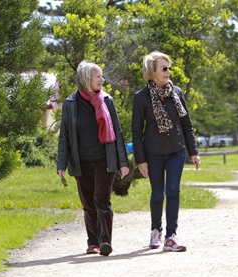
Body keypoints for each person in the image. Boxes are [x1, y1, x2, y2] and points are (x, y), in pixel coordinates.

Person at [57, 60, 130, 256]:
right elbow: (64, 136)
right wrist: (61, 163)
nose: (102, 79)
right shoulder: (71, 104)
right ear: (87, 79)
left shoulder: (107, 101)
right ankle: (93, 242)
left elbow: (118, 133)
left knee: (101, 200)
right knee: (88, 203)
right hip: (81, 162)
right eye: (99, 76)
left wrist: (123, 163)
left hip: (105, 160)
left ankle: (105, 241)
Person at [132, 51, 200, 252]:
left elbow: (187, 125)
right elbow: (136, 132)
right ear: (151, 72)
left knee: (173, 191)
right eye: (164, 68)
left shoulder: (177, 93)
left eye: (169, 67)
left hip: (176, 151)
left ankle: (171, 236)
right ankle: (156, 230)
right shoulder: (141, 98)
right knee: (157, 194)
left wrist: (193, 152)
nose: (169, 71)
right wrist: (141, 160)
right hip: (152, 153)